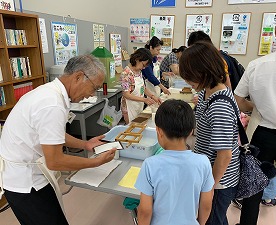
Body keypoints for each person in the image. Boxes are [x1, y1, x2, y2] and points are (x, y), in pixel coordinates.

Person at [0, 55, 117, 225]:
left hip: (29, 175)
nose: (92, 94)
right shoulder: (52, 104)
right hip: (25, 183)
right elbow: (55, 161)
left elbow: (52, 136)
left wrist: (85, 144)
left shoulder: (49, 92)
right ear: (78, 77)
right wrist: (95, 162)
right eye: (94, 88)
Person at [234, 3, 276, 225]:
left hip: (262, 133)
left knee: (253, 189)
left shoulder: (257, 64)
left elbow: (239, 100)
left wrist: (259, 108)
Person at [179, 41, 240, 225]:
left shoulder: (220, 105)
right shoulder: (208, 92)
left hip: (218, 181)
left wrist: (209, 187)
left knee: (212, 219)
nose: (188, 82)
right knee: (217, 218)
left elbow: (224, 155)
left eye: (190, 77)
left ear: (203, 72)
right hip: (208, 172)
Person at [135, 99, 214, 225]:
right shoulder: (203, 162)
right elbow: (206, 204)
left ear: (159, 131)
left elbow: (145, 211)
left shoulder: (150, 164)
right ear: (191, 132)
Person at [120, 48, 161, 124]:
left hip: (138, 105)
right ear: (137, 59)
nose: (144, 68)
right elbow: (126, 95)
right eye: (144, 65)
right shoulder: (126, 73)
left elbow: (143, 87)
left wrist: (152, 96)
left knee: (138, 126)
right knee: (131, 128)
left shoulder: (139, 72)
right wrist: (144, 100)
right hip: (129, 107)